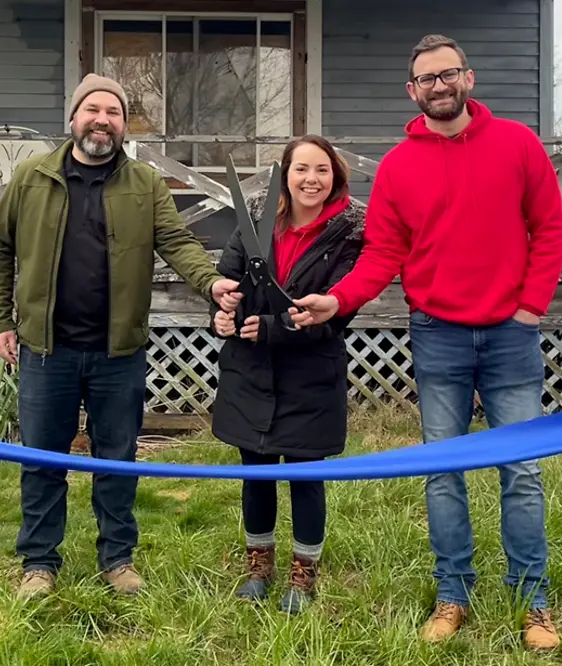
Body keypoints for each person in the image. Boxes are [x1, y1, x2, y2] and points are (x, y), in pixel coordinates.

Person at [289, 35, 562, 650]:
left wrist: (530, 310)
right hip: (437, 334)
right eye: (426, 79)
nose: (439, 86)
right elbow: (383, 253)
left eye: (448, 74)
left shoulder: (518, 144)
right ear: (412, 91)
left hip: (510, 336)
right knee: (443, 473)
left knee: (520, 471)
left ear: (467, 78)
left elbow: (550, 229)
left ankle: (534, 601)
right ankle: (452, 596)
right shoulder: (398, 166)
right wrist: (338, 300)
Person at [0, 73, 241, 600]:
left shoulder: (144, 183)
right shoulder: (32, 178)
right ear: (73, 118)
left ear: (124, 125)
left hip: (117, 351)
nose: (103, 120)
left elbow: (177, 242)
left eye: (115, 113)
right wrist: (1, 320)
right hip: (45, 349)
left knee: (116, 459)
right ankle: (38, 563)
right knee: (42, 459)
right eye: (93, 110)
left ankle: (117, 559)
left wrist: (211, 282)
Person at [210, 135, 364, 616]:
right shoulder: (256, 224)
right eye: (301, 169)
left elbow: (338, 314)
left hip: (309, 375)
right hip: (249, 372)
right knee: (255, 474)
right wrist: (220, 310)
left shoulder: (348, 234)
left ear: (334, 178)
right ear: (284, 175)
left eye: (322, 170)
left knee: (304, 476)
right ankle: (259, 566)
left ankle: (304, 572)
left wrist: (275, 328)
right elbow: (227, 278)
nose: (310, 179)